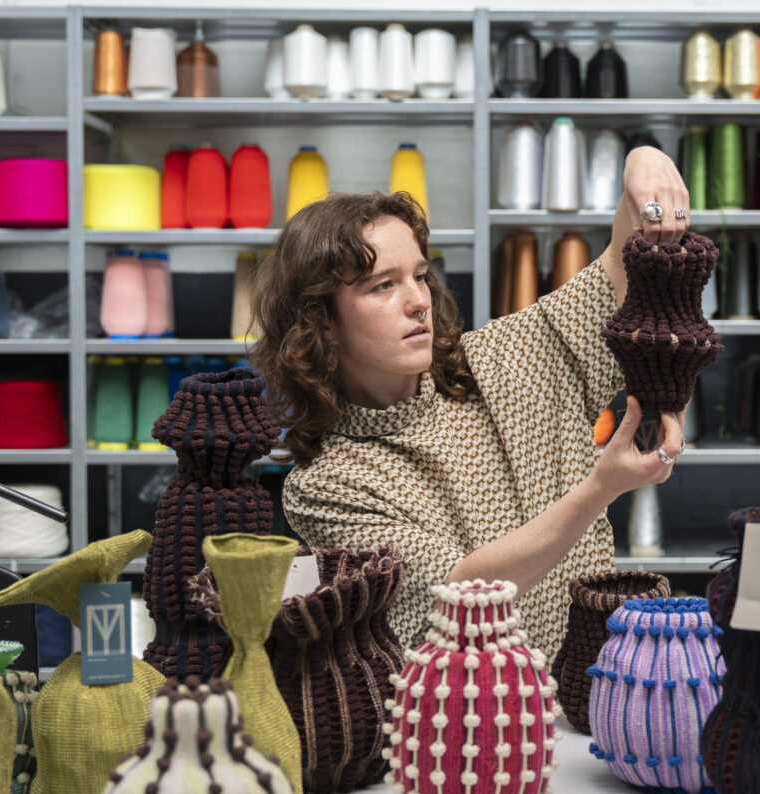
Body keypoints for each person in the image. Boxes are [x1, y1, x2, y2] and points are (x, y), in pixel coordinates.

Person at [250, 147, 692, 659]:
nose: (418, 301)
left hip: (593, 685)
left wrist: (644, 161)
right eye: (383, 285)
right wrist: (602, 488)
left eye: (420, 275)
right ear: (322, 322)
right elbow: (457, 593)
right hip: (469, 706)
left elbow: (618, 266)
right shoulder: (326, 486)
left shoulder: (501, 359)